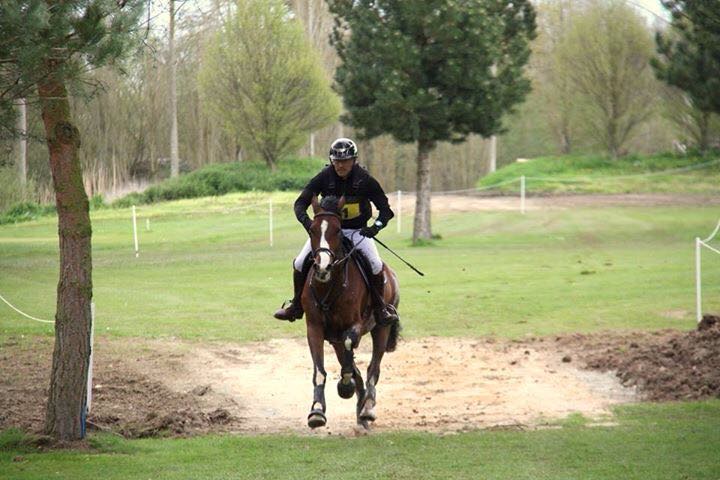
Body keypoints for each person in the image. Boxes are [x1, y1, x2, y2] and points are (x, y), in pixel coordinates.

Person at [274, 137, 399, 325]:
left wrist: (375, 227)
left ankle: (381, 309)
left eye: (345, 161)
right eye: (337, 161)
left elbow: (386, 210)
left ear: (354, 160)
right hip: (328, 233)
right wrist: (308, 224)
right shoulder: (324, 176)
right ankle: (296, 306)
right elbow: (300, 203)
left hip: (358, 232)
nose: (341, 165)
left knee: (374, 264)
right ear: (332, 160)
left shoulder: (365, 180)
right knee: (300, 262)